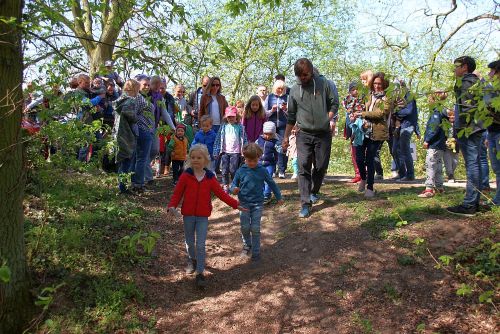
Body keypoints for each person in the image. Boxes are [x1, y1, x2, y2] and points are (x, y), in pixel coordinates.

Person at [167, 144, 246, 288]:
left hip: (203, 216)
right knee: (190, 242)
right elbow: (177, 194)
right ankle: (192, 259)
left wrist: (235, 204)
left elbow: (221, 194)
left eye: (199, 157)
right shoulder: (186, 175)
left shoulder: (210, 177)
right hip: (188, 215)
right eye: (193, 157)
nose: (196, 160)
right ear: (190, 159)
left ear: (205, 160)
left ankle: (200, 273)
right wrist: (171, 206)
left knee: (201, 244)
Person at [282, 58, 337, 218]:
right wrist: (286, 136)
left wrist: (328, 118)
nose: (303, 78)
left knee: (320, 166)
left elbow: (334, 104)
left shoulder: (323, 84)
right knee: (303, 166)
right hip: (303, 133)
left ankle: (314, 191)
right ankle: (305, 203)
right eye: (299, 76)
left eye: (305, 75)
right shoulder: (294, 91)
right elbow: (291, 116)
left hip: (323, 133)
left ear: (311, 72)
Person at [230, 143, 284, 261]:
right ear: (245, 158)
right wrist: (233, 189)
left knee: (255, 228)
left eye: (255, 160)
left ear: (259, 158)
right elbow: (233, 184)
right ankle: (247, 245)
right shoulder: (241, 171)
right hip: (243, 204)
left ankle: (256, 252)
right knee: (244, 227)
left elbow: (271, 183)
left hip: (257, 204)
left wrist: (279, 197)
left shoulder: (262, 170)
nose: (252, 163)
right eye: (249, 160)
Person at [446, 56, 485, 216]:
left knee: (472, 165)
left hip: (469, 129)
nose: (454, 69)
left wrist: (460, 121)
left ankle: (469, 204)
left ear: (465, 67)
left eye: (457, 66)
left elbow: (468, 108)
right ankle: (475, 202)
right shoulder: (475, 82)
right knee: (475, 163)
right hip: (475, 128)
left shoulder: (466, 82)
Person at [353, 72, 391, 198]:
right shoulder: (369, 95)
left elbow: (380, 114)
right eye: (375, 83)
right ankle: (363, 179)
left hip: (377, 133)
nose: (377, 86)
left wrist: (362, 114)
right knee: (358, 157)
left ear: (384, 84)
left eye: (379, 84)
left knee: (370, 159)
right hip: (363, 131)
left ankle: (370, 187)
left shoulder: (387, 98)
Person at [418, 91, 449, 198]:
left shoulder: (436, 112)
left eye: (429, 99)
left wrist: (427, 140)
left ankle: (429, 188)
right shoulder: (444, 112)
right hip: (441, 144)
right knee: (439, 165)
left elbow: (433, 128)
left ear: (434, 100)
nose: (428, 102)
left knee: (430, 164)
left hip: (434, 144)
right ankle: (440, 187)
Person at [113, 79, 140, 194]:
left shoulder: (119, 100)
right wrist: (136, 117)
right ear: (135, 89)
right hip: (127, 134)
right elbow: (131, 116)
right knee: (127, 160)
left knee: (121, 160)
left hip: (118, 133)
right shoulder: (131, 101)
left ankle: (121, 186)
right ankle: (123, 188)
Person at [213, 106, 248, 192]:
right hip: (225, 152)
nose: (231, 118)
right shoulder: (224, 126)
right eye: (229, 117)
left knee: (233, 170)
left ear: (236, 116)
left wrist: (245, 151)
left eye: (232, 116)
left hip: (236, 152)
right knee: (224, 170)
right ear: (226, 117)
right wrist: (216, 151)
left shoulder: (240, 127)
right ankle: (225, 185)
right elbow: (218, 139)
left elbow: (245, 139)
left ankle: (234, 184)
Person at [392, 79, 418, 182]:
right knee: (395, 149)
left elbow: (408, 111)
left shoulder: (409, 96)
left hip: (407, 125)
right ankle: (402, 173)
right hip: (398, 126)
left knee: (405, 150)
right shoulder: (397, 98)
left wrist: (396, 112)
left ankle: (410, 175)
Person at [265, 80, 289, 178]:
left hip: (283, 125)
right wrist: (272, 110)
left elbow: (291, 114)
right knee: (272, 147)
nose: (280, 90)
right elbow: (265, 113)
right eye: (278, 88)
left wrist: (285, 109)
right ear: (275, 88)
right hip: (272, 125)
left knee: (283, 147)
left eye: (282, 89)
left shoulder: (287, 97)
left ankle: (282, 170)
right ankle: (273, 169)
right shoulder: (269, 97)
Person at [484, 59, 500, 205]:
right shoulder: (490, 89)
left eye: (492, 71)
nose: (489, 74)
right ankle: (498, 198)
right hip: (493, 132)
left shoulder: (491, 90)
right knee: (496, 167)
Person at [343, 81, 364, 183]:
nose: (355, 91)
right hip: (352, 128)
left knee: (362, 152)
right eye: (352, 89)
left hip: (361, 127)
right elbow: (348, 115)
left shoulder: (363, 99)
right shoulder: (347, 100)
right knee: (354, 152)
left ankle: (364, 173)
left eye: (357, 89)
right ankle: (357, 173)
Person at [257, 122, 283, 203]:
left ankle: (267, 195)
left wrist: (283, 149)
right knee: (259, 179)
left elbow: (280, 150)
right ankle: (261, 194)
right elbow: (254, 147)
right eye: (266, 134)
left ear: (274, 133)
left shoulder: (276, 141)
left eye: (270, 134)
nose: (267, 136)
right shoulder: (259, 139)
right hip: (259, 163)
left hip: (270, 164)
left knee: (268, 179)